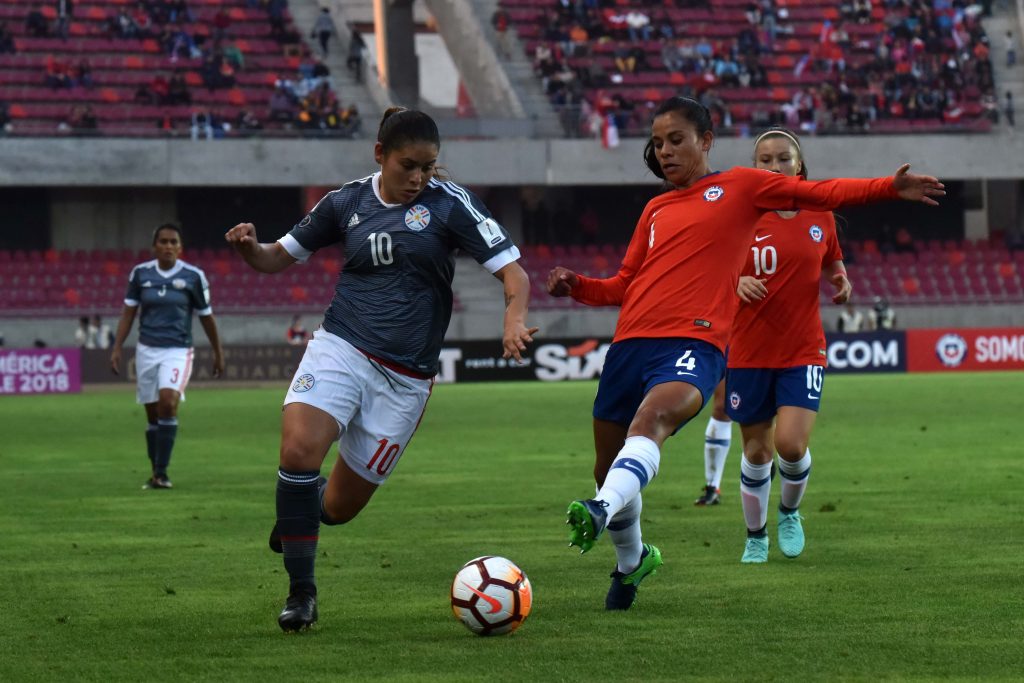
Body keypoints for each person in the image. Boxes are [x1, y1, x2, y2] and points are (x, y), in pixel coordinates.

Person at [547, 96, 942, 610]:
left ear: (706, 141)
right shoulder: (655, 209)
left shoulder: (741, 186)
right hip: (629, 346)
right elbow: (623, 285)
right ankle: (631, 561)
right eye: (658, 142)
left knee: (653, 422)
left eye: (676, 140)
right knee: (608, 465)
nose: (665, 151)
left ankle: (600, 511)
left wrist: (888, 188)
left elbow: (821, 192)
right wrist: (577, 285)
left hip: (695, 342)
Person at [224, 107, 537, 633]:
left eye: (428, 167)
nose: (418, 178)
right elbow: (279, 257)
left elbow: (514, 273)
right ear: (380, 155)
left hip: (406, 380)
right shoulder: (345, 201)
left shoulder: (450, 202)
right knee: (299, 451)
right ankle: (302, 592)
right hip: (342, 345)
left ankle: (298, 513)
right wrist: (250, 249)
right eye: (408, 165)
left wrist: (514, 319)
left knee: (337, 509)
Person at [724, 128, 852, 563]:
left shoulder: (822, 211)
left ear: (799, 165)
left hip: (803, 349)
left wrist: (840, 276)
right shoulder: (739, 214)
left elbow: (832, 256)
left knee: (791, 446)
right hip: (748, 350)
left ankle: (789, 513)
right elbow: (709, 269)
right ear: (754, 167)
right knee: (756, 451)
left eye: (782, 159)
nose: (774, 166)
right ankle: (756, 535)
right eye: (765, 159)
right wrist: (734, 281)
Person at [110, 223, 225, 490]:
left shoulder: (194, 276)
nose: (168, 246)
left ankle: (162, 473)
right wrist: (117, 347)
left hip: (177, 350)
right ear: (154, 246)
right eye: (163, 241)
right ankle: (156, 472)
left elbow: (206, 317)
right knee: (153, 415)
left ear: (180, 247)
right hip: (146, 350)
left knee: (168, 402)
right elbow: (128, 313)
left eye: (174, 242)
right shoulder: (140, 274)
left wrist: (218, 352)